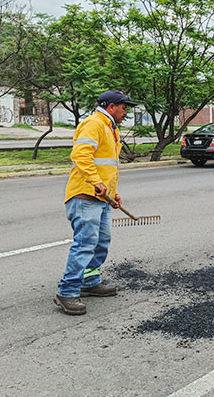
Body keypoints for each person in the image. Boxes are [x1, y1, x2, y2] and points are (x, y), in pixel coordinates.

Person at [54, 90, 138, 315]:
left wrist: (113, 191)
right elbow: (81, 156)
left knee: (101, 242)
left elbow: (108, 165)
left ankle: (90, 282)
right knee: (85, 243)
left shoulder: (111, 128)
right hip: (84, 196)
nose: (125, 111)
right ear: (111, 107)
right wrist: (96, 182)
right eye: (123, 107)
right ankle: (67, 291)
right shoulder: (94, 124)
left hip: (100, 197)